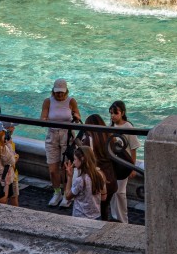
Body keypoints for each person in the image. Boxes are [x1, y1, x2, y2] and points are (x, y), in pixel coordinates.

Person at [41, 79, 80, 208]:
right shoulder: (48, 101)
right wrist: (44, 120)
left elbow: (78, 116)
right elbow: (43, 117)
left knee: (66, 168)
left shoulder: (71, 101)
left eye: (62, 93)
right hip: (52, 135)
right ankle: (57, 192)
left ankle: (66, 193)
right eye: (57, 92)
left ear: (66, 91)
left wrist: (76, 116)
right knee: (53, 169)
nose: (59, 95)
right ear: (53, 91)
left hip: (67, 136)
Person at [82, 114, 120, 221]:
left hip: (97, 181)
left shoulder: (88, 140)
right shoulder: (110, 136)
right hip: (111, 179)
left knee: (94, 211)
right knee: (104, 208)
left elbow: (84, 158)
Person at [107, 101, 139, 223]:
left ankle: (122, 219)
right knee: (113, 190)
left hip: (123, 164)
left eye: (116, 113)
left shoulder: (128, 127)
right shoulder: (110, 128)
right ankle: (115, 215)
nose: (113, 116)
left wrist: (132, 167)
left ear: (122, 113)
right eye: (111, 113)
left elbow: (133, 148)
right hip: (114, 164)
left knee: (120, 192)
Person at [64, 145, 107, 220]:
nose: (73, 162)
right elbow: (103, 198)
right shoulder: (100, 174)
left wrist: (69, 177)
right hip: (96, 216)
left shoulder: (80, 180)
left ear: (82, 159)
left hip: (80, 217)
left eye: (75, 159)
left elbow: (67, 196)